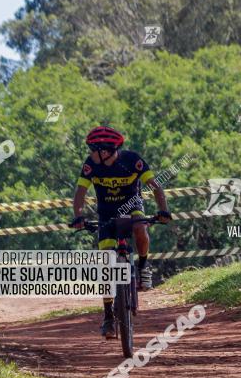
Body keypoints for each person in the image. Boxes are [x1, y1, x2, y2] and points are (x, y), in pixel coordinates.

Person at [69, 126, 171, 338]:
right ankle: (108, 317)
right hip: (106, 214)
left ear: (104, 151)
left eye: (91, 149)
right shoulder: (91, 165)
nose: (89, 153)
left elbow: (155, 185)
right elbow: (80, 192)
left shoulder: (132, 160)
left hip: (133, 206)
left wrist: (163, 210)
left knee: (140, 227)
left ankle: (143, 266)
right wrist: (78, 215)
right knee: (106, 261)